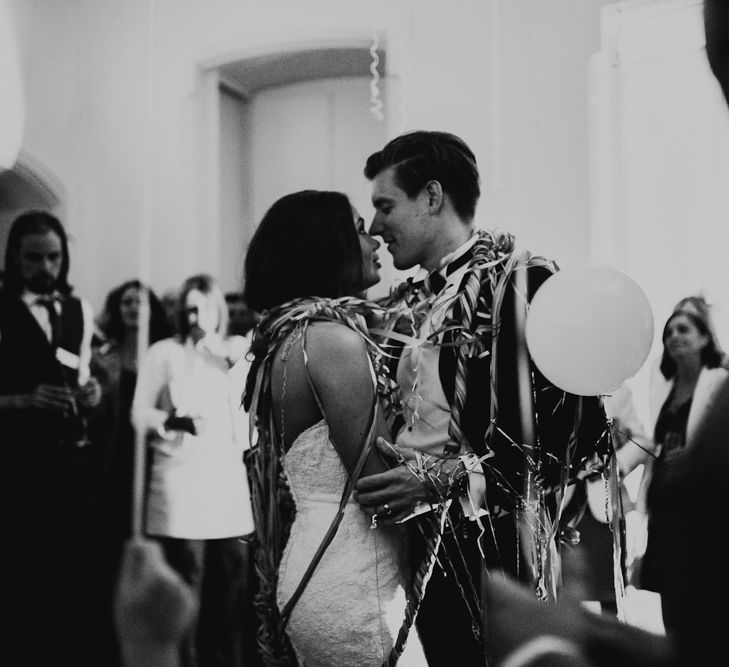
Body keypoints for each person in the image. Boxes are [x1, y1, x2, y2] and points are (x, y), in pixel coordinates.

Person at [354, 130, 610, 666]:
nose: (376, 227)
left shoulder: (523, 282)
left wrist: (445, 481)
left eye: (384, 205)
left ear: (431, 197)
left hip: (500, 542)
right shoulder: (407, 304)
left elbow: (571, 433)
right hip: (426, 542)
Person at [243, 190, 427, 665]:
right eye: (361, 229)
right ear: (327, 246)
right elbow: (378, 481)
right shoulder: (333, 342)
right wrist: (455, 464)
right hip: (354, 579)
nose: (375, 241)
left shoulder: (290, 336)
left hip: (317, 556)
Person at [132, 273, 254, 667]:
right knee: (189, 582)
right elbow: (139, 413)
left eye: (203, 308)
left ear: (218, 310)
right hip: (181, 482)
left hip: (228, 485)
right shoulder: (163, 353)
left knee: (232, 587)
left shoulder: (235, 351)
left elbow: (253, 405)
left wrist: (222, 353)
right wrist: (171, 420)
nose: (195, 317)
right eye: (188, 309)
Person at [0, 210, 105, 664]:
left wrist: (92, 392)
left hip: (71, 465)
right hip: (16, 468)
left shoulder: (78, 309)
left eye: (54, 258)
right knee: (22, 580)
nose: (46, 268)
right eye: (34, 259)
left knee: (75, 576)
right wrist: (24, 401)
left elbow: (82, 375)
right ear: (14, 258)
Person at [92, 278, 173, 663]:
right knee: (113, 545)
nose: (132, 307)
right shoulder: (102, 357)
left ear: (152, 309)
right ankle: (112, 636)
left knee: (155, 546)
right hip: (113, 462)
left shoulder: (165, 355)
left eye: (140, 301)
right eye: (125, 301)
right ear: (116, 309)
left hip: (156, 462)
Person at [635, 305, 728, 630]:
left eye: (684, 329)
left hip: (704, 507)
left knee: (704, 602)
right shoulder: (664, 387)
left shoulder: (720, 383)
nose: (674, 336)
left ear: (705, 337)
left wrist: (694, 455)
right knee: (670, 598)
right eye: (669, 332)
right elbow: (655, 441)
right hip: (665, 506)